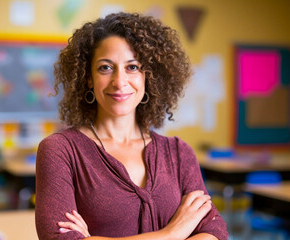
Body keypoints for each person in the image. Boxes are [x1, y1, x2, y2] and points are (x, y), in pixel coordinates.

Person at [35, 12, 228, 240]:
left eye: (133, 67)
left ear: (149, 76)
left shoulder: (179, 153)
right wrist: (173, 233)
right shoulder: (60, 151)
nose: (119, 81)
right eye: (105, 67)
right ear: (88, 77)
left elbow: (215, 232)